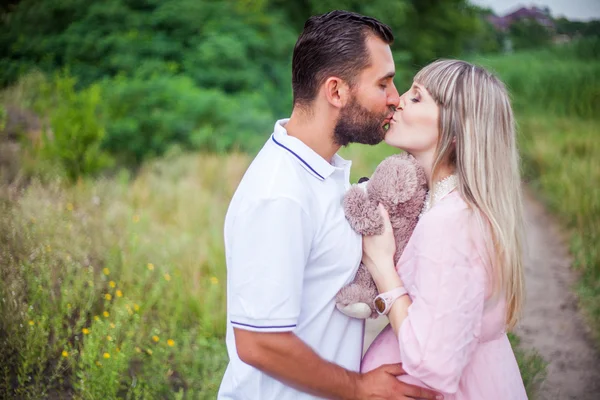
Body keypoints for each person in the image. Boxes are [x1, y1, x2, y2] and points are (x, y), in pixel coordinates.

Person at [218, 10, 441, 400]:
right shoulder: (280, 194)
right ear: (336, 91)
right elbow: (258, 343)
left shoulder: (321, 170)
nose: (395, 99)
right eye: (384, 83)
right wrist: (357, 388)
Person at [360, 59, 528, 399]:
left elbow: (431, 359)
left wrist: (381, 266)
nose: (398, 100)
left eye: (417, 97)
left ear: (455, 130)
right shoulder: (442, 205)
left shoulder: (451, 221)